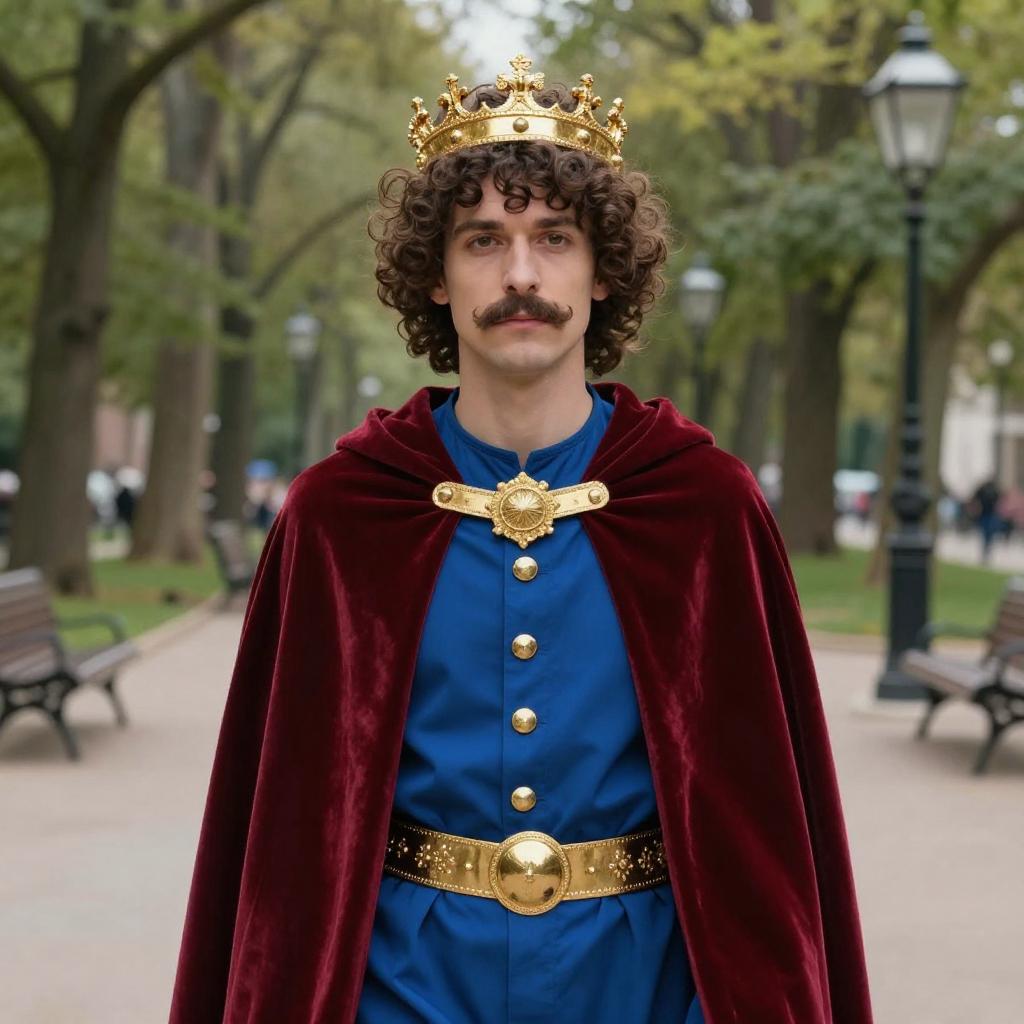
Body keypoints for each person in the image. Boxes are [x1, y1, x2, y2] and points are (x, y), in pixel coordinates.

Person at [169, 54, 873, 1023]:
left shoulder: (704, 506)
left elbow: (763, 826)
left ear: (601, 270)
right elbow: (283, 828)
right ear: (435, 277)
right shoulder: (340, 516)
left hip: (642, 981)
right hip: (403, 981)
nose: (522, 275)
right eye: (482, 240)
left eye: (554, 237)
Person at [969, 477, 1002, 562]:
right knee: (986, 535)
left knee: (988, 535)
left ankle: (986, 552)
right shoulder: (985, 490)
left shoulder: (990, 490)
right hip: (986, 515)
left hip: (989, 515)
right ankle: (985, 552)